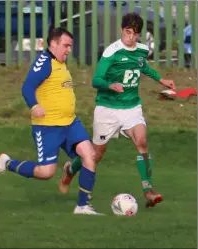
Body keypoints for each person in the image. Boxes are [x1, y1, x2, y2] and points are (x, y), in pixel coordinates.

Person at [59, 13, 176, 208]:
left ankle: (148, 190)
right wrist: (110, 85)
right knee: (95, 156)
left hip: (132, 107)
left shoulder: (141, 50)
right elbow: (96, 80)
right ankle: (71, 169)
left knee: (142, 142)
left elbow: (142, 66)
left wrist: (161, 80)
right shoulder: (111, 52)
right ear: (122, 30)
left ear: (139, 34)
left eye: (135, 34)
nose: (131, 37)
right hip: (107, 109)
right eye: (127, 32)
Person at [0, 27, 102, 215]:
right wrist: (34, 105)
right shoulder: (44, 62)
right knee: (46, 173)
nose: (69, 50)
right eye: (66, 45)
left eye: (71, 46)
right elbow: (27, 87)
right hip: (48, 128)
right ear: (53, 43)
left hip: (70, 123)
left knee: (90, 155)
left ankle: (83, 206)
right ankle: (6, 163)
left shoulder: (60, 63)